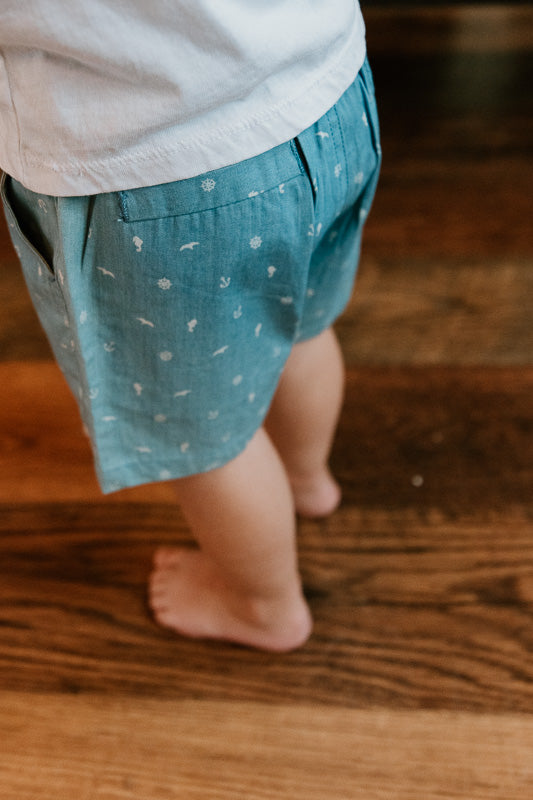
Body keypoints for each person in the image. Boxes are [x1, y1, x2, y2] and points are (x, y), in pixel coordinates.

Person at [0, 0, 381, 651]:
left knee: (199, 437)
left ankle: (262, 605)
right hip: (325, 96)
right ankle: (303, 478)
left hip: (155, 170)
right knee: (300, 325)